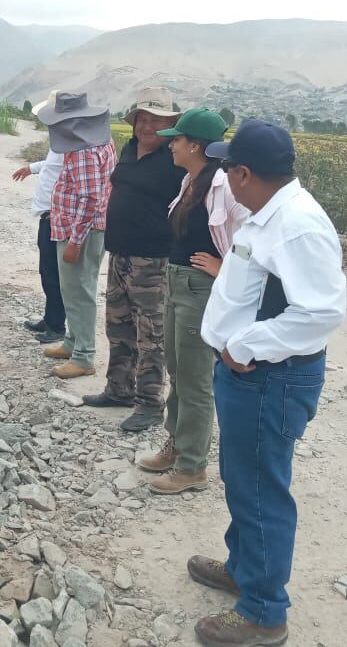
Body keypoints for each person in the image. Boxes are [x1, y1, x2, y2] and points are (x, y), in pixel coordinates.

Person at [187, 120, 347, 647]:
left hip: (267, 378)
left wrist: (244, 345)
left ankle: (263, 612)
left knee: (260, 490)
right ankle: (244, 569)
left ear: (244, 174)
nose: (225, 177)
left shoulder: (297, 225)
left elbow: (320, 314)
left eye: (229, 168)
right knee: (243, 479)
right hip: (249, 374)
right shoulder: (268, 215)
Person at [136, 108, 247, 494]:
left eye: (178, 140)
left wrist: (224, 266)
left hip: (201, 289)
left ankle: (192, 466)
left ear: (196, 146)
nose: (171, 145)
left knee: (195, 379)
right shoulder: (192, 181)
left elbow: (251, 236)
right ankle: (176, 445)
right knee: (177, 370)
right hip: (178, 283)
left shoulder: (224, 186)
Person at [81, 87, 187, 432]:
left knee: (150, 335)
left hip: (153, 261)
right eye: (143, 119)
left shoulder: (175, 160)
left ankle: (150, 404)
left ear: (170, 125)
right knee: (118, 327)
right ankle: (119, 390)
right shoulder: (129, 149)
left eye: (157, 120)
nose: (148, 126)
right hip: (120, 254)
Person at [37, 92, 117, 379]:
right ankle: (72, 342)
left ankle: (84, 355)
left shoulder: (84, 150)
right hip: (82, 229)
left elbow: (90, 198)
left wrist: (75, 241)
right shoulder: (98, 142)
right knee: (72, 289)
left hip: (80, 232)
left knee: (79, 292)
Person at [13, 91, 66, 344]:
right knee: (46, 271)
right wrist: (31, 168)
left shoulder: (71, 140)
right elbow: (52, 165)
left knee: (54, 273)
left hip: (57, 217)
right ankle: (50, 317)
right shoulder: (60, 140)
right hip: (47, 216)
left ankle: (57, 326)